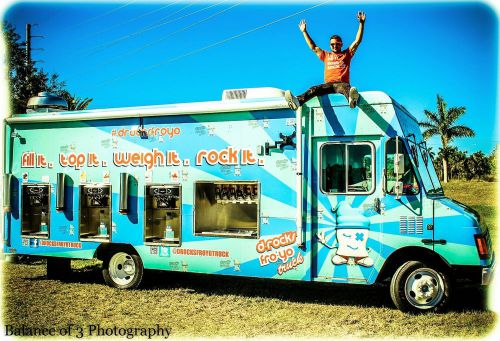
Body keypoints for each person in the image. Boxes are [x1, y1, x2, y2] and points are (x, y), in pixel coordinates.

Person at [285, 11, 366, 110]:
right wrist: (304, 32)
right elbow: (313, 47)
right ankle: (297, 102)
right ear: (330, 45)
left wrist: (361, 23)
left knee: (346, 87)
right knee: (314, 89)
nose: (335, 46)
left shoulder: (347, 54)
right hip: (328, 85)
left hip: (341, 84)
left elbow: (357, 42)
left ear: (341, 44)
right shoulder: (326, 55)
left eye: (337, 44)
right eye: (332, 44)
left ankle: (352, 99)